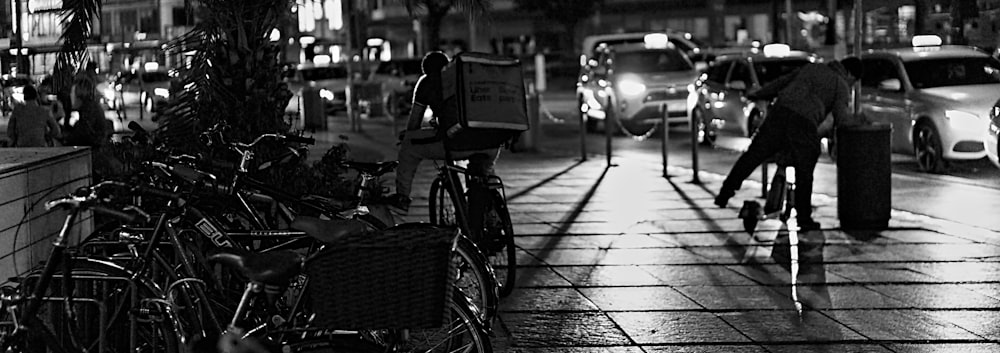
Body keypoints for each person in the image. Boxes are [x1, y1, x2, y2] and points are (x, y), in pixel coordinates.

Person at [714, 57, 864, 231]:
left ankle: (725, 192)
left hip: (779, 114)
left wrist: (759, 94)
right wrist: (857, 122)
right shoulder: (841, 85)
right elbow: (842, 120)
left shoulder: (811, 68)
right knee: (805, 170)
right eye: (854, 82)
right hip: (804, 123)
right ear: (851, 75)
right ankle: (803, 217)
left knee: (754, 155)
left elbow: (781, 83)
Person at [385, 51, 500, 215]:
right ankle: (494, 217)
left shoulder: (427, 82)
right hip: (492, 142)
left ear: (426, 70)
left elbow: (414, 123)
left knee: (409, 146)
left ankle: (402, 198)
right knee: (484, 173)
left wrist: (408, 135)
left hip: (457, 143)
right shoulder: (468, 78)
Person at [63, 75, 110, 148]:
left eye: (72, 93)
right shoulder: (88, 108)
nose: (70, 96)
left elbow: (82, 136)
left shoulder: (89, 110)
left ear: (79, 95)